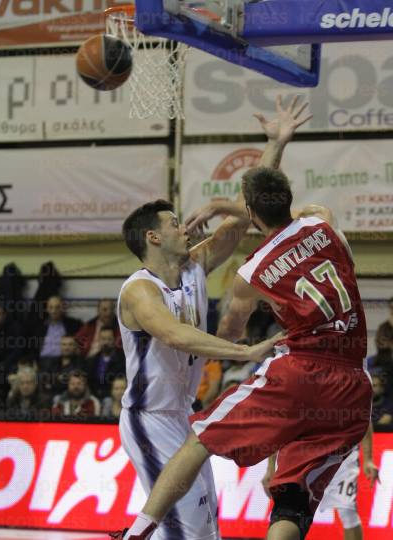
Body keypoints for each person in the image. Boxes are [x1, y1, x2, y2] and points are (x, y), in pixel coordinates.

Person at [121, 95, 372, 540]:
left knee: (206, 526)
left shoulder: (198, 266)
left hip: (187, 408)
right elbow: (175, 334)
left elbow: (250, 215)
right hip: (150, 414)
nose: (186, 226)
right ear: (154, 237)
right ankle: (135, 532)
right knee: (188, 529)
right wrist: (243, 350)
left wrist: (273, 145)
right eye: (176, 222)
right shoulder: (140, 289)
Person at [262, 422, 379, 540]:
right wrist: (270, 468)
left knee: (347, 510)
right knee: (288, 513)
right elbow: (281, 425)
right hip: (306, 453)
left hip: (343, 455)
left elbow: (365, 418)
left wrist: (368, 459)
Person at [35, 295, 82, 360]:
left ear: (63, 308)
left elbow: (80, 346)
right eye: (51, 307)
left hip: (63, 362)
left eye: (57, 307)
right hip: (43, 362)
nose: (54, 311)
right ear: (47, 309)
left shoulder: (74, 325)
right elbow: (34, 350)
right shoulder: (39, 326)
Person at [86, 326, 125, 399]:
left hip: (115, 398)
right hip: (94, 397)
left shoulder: (122, 359)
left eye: (109, 339)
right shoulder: (91, 361)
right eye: (103, 339)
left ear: (114, 340)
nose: (106, 342)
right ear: (99, 340)